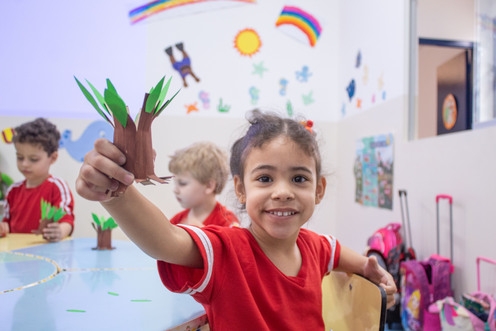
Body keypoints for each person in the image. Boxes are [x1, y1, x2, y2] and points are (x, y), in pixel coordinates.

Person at [75, 109, 397, 330]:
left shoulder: (315, 247)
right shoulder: (227, 250)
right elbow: (166, 240)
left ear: (319, 189)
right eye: (265, 179)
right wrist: (117, 194)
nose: (283, 192)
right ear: (241, 189)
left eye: (299, 179)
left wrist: (370, 268)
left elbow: (338, 252)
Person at [0, 118, 75, 242]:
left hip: (47, 255)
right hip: (16, 254)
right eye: (20, 157)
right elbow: (7, 224)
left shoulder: (57, 187)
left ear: (53, 158)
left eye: (33, 159)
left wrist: (60, 231)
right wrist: (3, 228)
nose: (25, 164)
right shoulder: (13, 190)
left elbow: (67, 221)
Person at [168, 141, 239, 228]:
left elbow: (235, 241)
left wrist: (202, 233)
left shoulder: (227, 221)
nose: (175, 190)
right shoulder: (177, 220)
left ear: (209, 186)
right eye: (175, 183)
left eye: (182, 183)